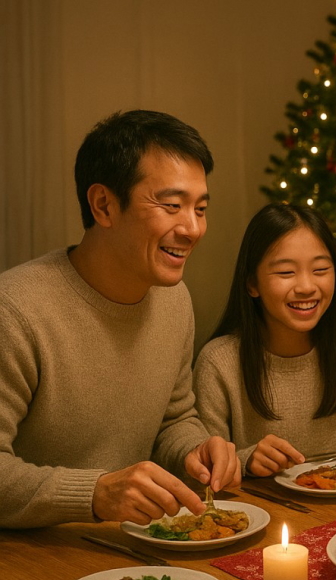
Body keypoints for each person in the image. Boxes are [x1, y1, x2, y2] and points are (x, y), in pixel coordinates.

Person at [0, 110, 241, 529]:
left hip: (125, 547)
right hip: (30, 559)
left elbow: (174, 417)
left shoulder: (174, 300)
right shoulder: (16, 311)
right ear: (103, 205)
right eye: (171, 205)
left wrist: (195, 449)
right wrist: (94, 493)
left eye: (200, 208)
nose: (193, 228)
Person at [194, 203, 336, 476]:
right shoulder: (219, 361)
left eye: (320, 270)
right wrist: (247, 459)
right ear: (252, 284)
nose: (306, 287)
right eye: (285, 273)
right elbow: (204, 461)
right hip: (262, 511)